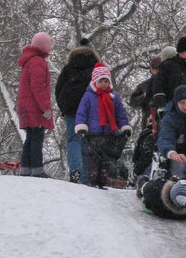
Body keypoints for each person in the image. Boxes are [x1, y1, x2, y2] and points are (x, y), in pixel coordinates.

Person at [75, 63, 132, 188]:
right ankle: (93, 181)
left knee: (106, 161)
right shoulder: (88, 96)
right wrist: (81, 126)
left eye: (106, 81)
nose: (104, 84)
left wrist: (124, 126)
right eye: (101, 81)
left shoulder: (114, 97)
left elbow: (121, 114)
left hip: (108, 134)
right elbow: (82, 112)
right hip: (93, 134)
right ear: (95, 81)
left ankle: (102, 182)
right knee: (94, 160)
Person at [55, 38, 101, 184]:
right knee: (88, 141)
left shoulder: (69, 67)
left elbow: (58, 88)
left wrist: (63, 107)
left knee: (73, 140)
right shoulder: (97, 68)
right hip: (91, 109)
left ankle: (75, 170)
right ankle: (86, 177)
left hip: (71, 108)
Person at [16, 31, 55, 178]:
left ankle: (26, 168)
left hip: (26, 104)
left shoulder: (29, 60)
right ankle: (37, 168)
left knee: (31, 136)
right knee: (37, 135)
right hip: (34, 106)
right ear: (44, 46)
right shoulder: (38, 61)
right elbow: (38, 87)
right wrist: (45, 107)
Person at [129, 55, 162, 127]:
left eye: (160, 69)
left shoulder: (170, 84)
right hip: (149, 125)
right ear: (152, 69)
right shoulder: (143, 86)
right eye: (155, 68)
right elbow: (132, 103)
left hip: (168, 125)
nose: (157, 71)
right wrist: (143, 96)